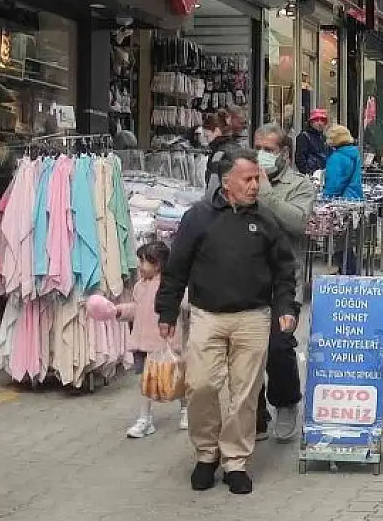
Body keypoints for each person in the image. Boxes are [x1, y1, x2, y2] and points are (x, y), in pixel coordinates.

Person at [156, 150, 297, 495]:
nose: (255, 185)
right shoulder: (198, 217)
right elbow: (176, 267)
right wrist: (167, 311)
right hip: (207, 316)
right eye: (247, 179)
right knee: (201, 386)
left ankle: (235, 461)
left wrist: (285, 308)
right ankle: (206, 454)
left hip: (253, 317)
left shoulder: (265, 220)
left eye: (257, 179)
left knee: (244, 395)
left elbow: (284, 270)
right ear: (226, 182)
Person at [252, 123, 316, 443]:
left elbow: (296, 222)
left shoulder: (300, 185)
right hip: (249, 276)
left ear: (284, 153)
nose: (262, 155)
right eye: (258, 148)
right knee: (249, 347)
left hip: (284, 279)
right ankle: (257, 411)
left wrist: (264, 191)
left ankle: (287, 400)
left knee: (279, 345)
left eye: (269, 149)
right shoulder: (243, 178)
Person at [117, 241, 187, 438]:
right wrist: (119, 311)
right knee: (146, 383)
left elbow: (185, 305)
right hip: (143, 344)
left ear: (157, 264)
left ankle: (185, 410)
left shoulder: (171, 286)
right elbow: (136, 309)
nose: (139, 266)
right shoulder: (139, 287)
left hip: (165, 343)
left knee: (176, 380)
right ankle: (145, 419)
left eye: (143, 261)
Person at [203, 110, 242, 191]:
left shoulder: (220, 153)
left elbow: (213, 186)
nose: (206, 140)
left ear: (217, 131)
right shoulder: (235, 147)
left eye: (207, 136)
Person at [323, 125, 363, 200]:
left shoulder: (336, 158)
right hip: (356, 197)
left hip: (341, 202)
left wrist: (326, 198)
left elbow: (334, 184)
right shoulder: (354, 153)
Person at [294, 109, 332, 174]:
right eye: (316, 120)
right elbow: (300, 159)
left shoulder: (324, 137)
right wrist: (309, 173)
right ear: (311, 122)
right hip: (311, 175)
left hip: (323, 173)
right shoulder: (304, 136)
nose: (320, 123)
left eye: (322, 120)